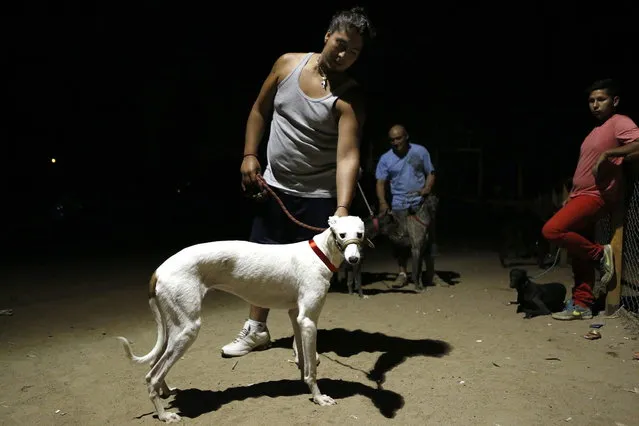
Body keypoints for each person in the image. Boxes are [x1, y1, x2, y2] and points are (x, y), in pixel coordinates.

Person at [221, 7, 376, 357]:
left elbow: (347, 155)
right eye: (340, 44)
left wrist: (341, 210)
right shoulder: (286, 65)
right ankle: (256, 329)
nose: (344, 55)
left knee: (311, 273)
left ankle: (303, 336)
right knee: (263, 262)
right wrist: (249, 155)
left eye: (354, 52)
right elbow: (259, 111)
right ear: (326, 36)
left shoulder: (350, 97)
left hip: (319, 197)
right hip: (275, 187)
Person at [542, 78, 639, 320]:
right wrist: (572, 195)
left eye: (601, 99)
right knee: (578, 253)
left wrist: (610, 153)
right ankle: (582, 305)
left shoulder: (620, 122)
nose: (595, 105)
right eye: (591, 101)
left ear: (614, 101)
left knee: (552, 230)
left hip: (597, 195)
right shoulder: (596, 130)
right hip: (580, 195)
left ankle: (599, 254)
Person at [375, 124, 443, 290]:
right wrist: (383, 203)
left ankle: (431, 273)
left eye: (398, 138)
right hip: (399, 204)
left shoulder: (420, 151)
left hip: (420, 203)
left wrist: (426, 189)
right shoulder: (386, 159)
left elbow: (431, 173)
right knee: (400, 241)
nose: (395, 142)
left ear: (406, 137)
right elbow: (380, 182)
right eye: (392, 139)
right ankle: (402, 273)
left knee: (428, 239)